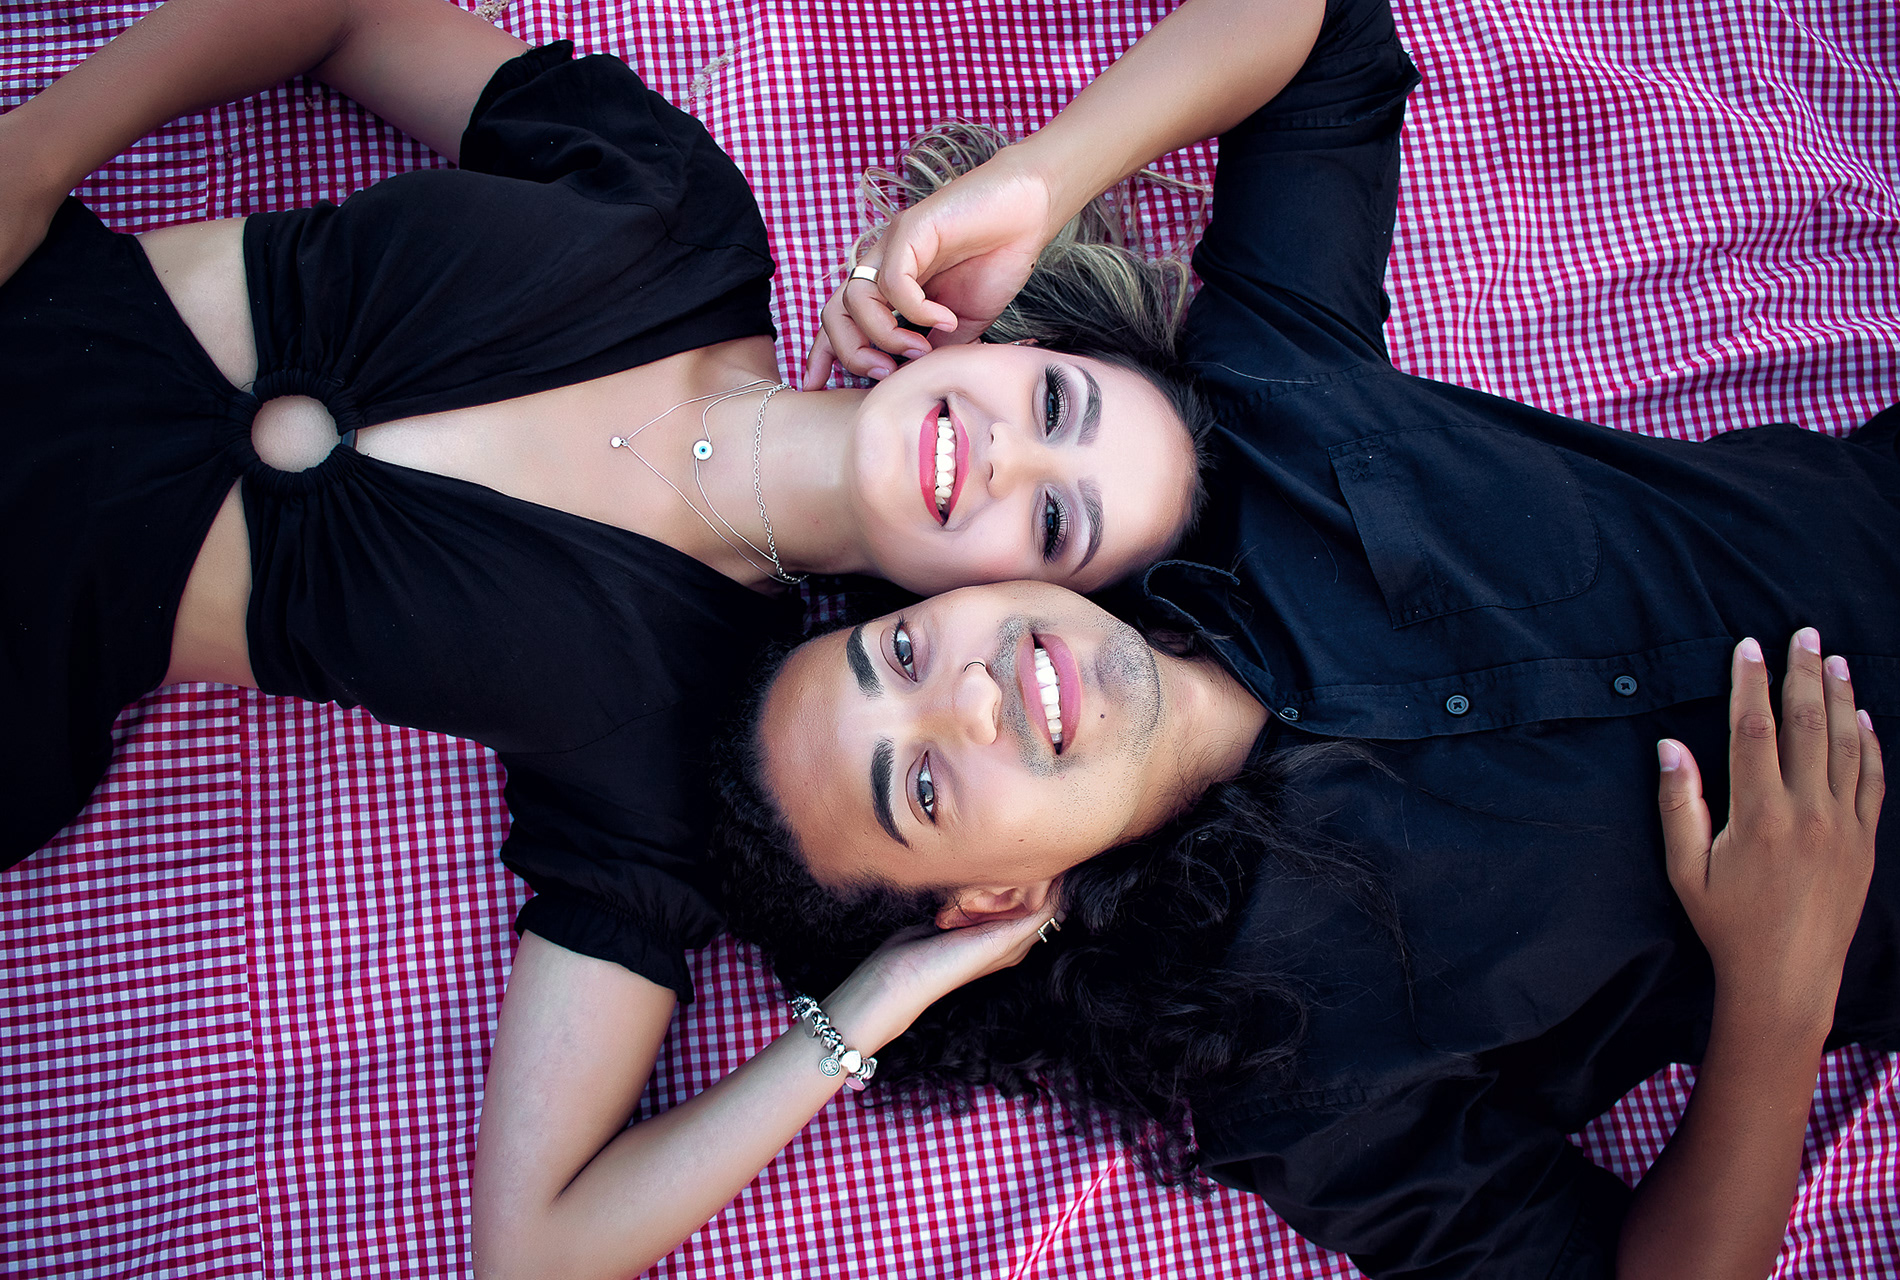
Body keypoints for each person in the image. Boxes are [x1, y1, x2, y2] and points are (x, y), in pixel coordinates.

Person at [0, 1, 1217, 1275]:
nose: (1010, 456)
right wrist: (36, 153)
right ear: (1005, 338)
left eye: (1055, 524)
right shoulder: (681, 202)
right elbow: (344, 17)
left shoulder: (676, 739)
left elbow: (535, 1251)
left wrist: (875, 1004)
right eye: (1057, 402)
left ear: (1022, 606)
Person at [711, 0, 1900, 1275]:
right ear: (993, 902)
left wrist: (1039, 181)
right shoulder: (1293, 1079)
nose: (970, 695)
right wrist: (1780, 996)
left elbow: (1329, 39)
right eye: (921, 783)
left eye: (903, 655)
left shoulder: (1261, 414)